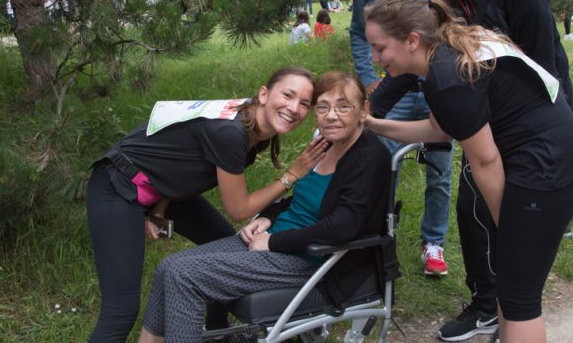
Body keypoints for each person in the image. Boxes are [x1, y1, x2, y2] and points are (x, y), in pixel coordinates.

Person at [364, 0, 573, 343]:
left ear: (412, 40)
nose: (374, 57)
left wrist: (510, 229)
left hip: (546, 172)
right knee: (511, 288)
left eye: (379, 48)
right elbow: (440, 129)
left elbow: (486, 162)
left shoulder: (447, 77)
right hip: (558, 159)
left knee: (520, 298)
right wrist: (372, 124)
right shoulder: (448, 54)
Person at [136, 71, 392, 343]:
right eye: (323, 107)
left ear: (363, 111)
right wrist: (268, 217)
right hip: (279, 239)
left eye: (343, 107)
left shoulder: (370, 156)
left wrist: (273, 242)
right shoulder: (325, 144)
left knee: (183, 275)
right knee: (169, 266)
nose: (331, 115)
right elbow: (306, 200)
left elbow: (341, 227)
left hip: (312, 260)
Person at [421, 0, 573, 341]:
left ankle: (513, 308)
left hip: (534, 127)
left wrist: (562, 138)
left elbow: (546, 69)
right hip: (483, 125)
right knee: (472, 212)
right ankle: (485, 304)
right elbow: (418, 58)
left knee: (517, 230)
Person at [86, 67, 326, 342]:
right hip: (117, 186)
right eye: (288, 95)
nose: (294, 108)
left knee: (225, 248)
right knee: (121, 309)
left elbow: (181, 156)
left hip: (160, 189)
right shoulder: (232, 132)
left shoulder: (256, 128)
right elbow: (239, 210)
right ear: (263, 93)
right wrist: (292, 175)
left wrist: (160, 208)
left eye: (304, 104)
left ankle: (216, 331)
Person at [348, 0, 453, 276]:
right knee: (381, 164)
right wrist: (367, 78)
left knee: (439, 171)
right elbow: (359, 31)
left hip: (439, 85)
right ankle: (380, 238)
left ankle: (434, 244)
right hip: (394, 89)